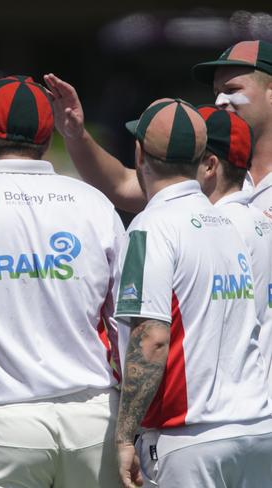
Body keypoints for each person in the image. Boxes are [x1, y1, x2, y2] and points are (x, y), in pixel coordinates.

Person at [0, 76, 123, 487]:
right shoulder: (95, 204)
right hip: (95, 418)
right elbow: (125, 323)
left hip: (2, 421)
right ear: (48, 134)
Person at [114, 98, 272, 487]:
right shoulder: (230, 223)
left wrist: (124, 436)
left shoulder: (150, 226)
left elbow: (150, 338)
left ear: (139, 153)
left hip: (189, 438)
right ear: (202, 159)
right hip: (255, 429)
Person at [44, 39, 272, 214]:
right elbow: (121, 184)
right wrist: (76, 134)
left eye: (232, 90)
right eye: (216, 92)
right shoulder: (204, 163)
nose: (220, 101)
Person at [195, 106, 272, 396]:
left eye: (183, 159)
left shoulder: (215, 229)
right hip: (258, 409)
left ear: (210, 166)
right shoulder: (259, 221)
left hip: (221, 411)